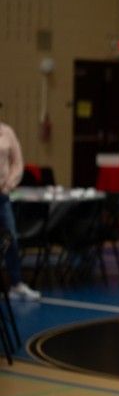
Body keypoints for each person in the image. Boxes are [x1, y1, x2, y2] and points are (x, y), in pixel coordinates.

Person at [0, 119, 41, 301]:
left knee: (11, 239)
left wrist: (8, 184)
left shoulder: (7, 132)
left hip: (2, 195)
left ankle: (16, 283)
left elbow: (17, 162)